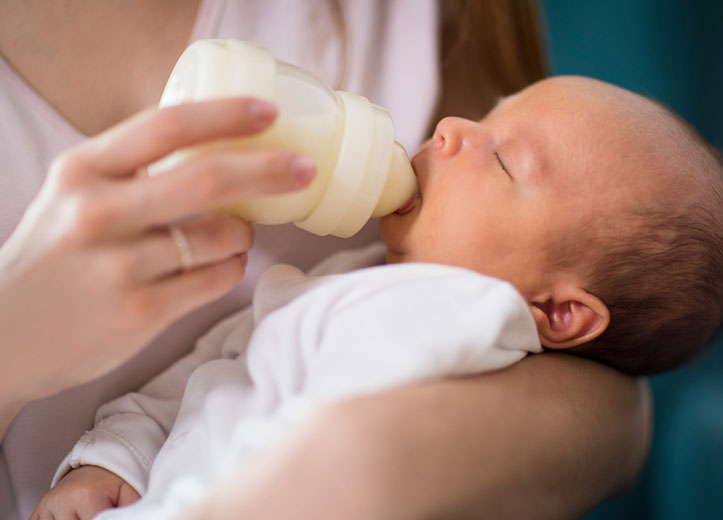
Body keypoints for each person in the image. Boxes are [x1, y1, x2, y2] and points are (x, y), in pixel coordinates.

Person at [0, 2, 650, 519]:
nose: (452, 126)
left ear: (560, 313)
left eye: (503, 158)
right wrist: (109, 461)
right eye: (488, 118)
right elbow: (194, 387)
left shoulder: (478, 318)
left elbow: (603, 411)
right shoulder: (323, 288)